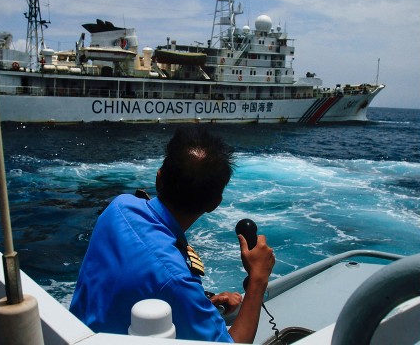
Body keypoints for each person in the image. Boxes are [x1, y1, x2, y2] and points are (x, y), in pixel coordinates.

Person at [69, 126, 275, 343]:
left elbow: (126, 285)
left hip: (77, 334)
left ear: (159, 179)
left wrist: (198, 303)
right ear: (214, 204)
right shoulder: (176, 280)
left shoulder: (119, 207)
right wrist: (257, 279)